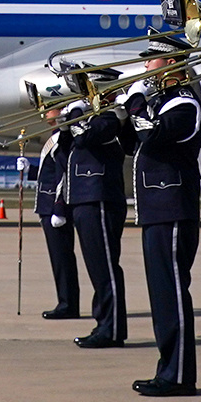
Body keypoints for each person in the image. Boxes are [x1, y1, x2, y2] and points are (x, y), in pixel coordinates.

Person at [126, 51, 201, 395]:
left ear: (170, 64)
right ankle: (169, 370)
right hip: (157, 208)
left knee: (172, 294)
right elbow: (132, 141)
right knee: (161, 295)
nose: (145, 67)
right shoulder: (162, 103)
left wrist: (134, 103)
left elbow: (151, 134)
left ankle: (178, 375)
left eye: (150, 61)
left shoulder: (184, 104)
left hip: (173, 207)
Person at [66, 69, 134, 349]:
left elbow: (83, 138)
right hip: (86, 198)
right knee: (97, 268)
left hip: (101, 199)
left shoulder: (110, 120)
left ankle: (112, 329)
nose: (85, 93)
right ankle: (104, 324)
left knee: (105, 268)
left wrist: (74, 114)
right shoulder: (95, 118)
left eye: (91, 87)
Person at [32, 107, 83, 320]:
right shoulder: (55, 137)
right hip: (46, 206)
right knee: (58, 258)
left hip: (55, 207)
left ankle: (68, 304)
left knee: (62, 259)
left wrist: (59, 208)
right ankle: (65, 301)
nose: (45, 115)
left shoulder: (63, 138)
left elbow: (62, 175)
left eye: (50, 110)